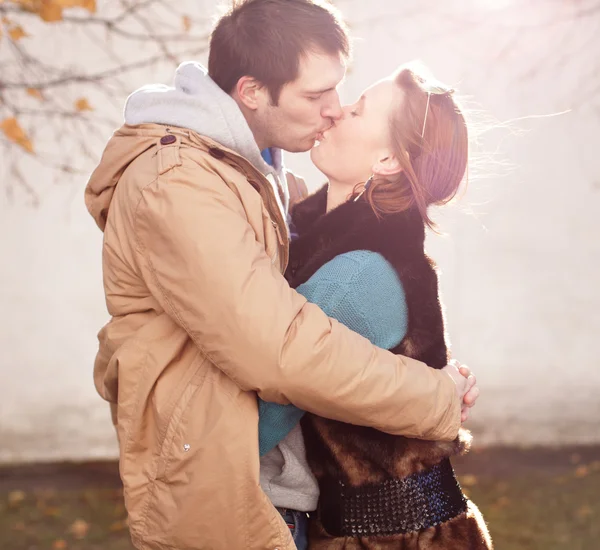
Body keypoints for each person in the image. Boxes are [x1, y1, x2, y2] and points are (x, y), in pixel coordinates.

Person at [84, 1, 478, 548]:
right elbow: (277, 353)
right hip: (226, 490)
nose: (335, 111)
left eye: (347, 98)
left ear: (388, 160)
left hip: (260, 497)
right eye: (317, 96)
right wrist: (437, 397)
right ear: (251, 91)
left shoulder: (265, 187)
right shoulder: (185, 180)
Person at [258, 64, 492, 549]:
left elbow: (256, 425)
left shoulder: (356, 275)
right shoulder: (323, 246)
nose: (336, 111)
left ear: (387, 158)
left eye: (357, 110)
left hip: (393, 538)